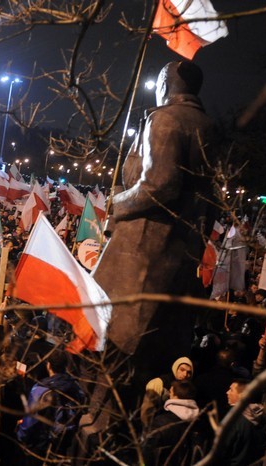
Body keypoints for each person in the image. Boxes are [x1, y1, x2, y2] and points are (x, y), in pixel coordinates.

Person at [93, 61, 218, 375]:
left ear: (166, 83)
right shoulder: (209, 126)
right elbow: (210, 199)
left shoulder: (165, 119)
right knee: (155, 361)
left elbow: (159, 184)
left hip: (141, 254)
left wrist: (117, 202)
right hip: (180, 258)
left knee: (115, 352)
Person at [17, 349, 86, 461]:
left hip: (42, 444)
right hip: (63, 439)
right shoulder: (74, 385)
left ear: (48, 365)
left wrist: (21, 435)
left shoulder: (40, 390)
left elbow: (29, 421)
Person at [142, 380, 204, 466]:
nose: (168, 395)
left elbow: (148, 454)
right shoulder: (200, 422)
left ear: (175, 396)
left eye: (170, 392)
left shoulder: (160, 422)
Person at [215, 379, 266, 466]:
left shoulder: (233, 420)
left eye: (231, 390)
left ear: (242, 395)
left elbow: (223, 450)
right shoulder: (262, 417)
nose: (227, 392)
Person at [141, 356, 194, 428]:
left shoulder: (187, 389)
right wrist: (149, 431)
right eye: (182, 370)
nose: (185, 374)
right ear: (176, 369)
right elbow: (147, 412)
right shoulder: (158, 384)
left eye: (189, 372)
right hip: (158, 427)